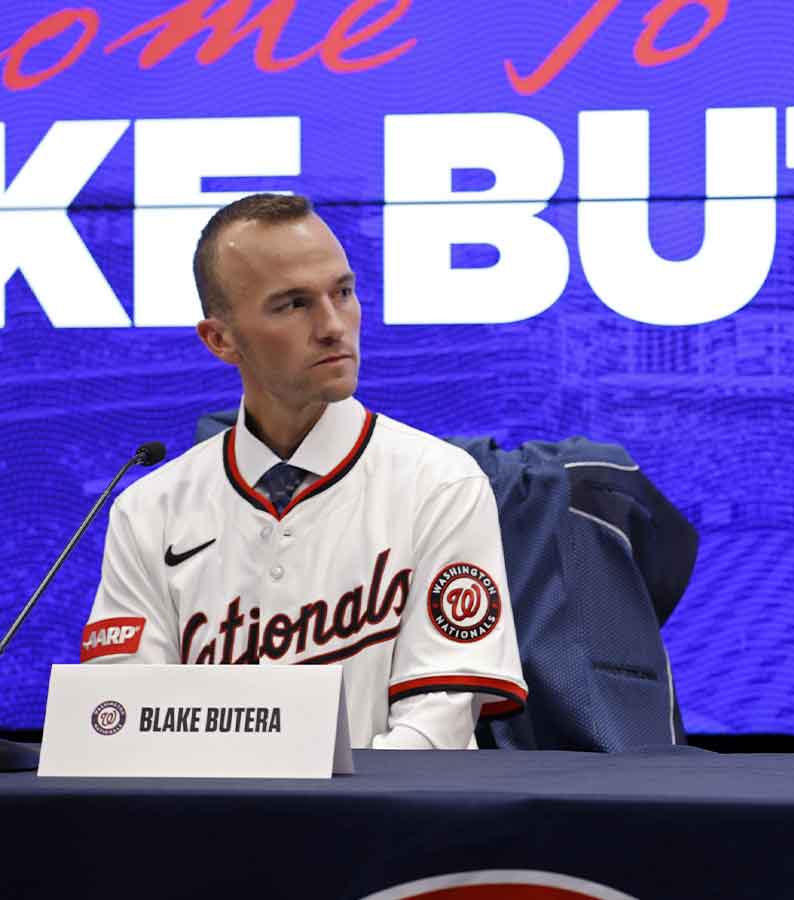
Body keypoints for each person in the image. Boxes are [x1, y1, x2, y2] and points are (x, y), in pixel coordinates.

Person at [79, 193, 528, 749]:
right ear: (220, 339)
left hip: (384, 830)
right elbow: (121, 725)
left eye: (342, 292)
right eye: (293, 304)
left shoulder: (441, 484)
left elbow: (434, 731)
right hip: (205, 829)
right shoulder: (148, 507)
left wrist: (304, 808)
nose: (334, 325)